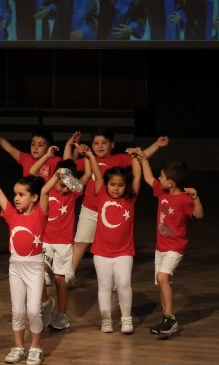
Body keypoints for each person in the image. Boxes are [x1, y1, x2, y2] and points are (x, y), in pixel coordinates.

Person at [65, 129, 168, 285]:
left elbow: (139, 157)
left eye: (104, 143)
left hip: (113, 210)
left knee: (112, 244)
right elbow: (67, 165)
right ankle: (69, 273)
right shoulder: (88, 159)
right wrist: (71, 146)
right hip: (90, 209)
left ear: (112, 145)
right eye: (96, 143)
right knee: (81, 241)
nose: (100, 146)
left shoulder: (119, 159)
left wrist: (157, 145)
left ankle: (114, 279)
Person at [0, 171, 58, 365]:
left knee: (33, 311)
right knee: (17, 311)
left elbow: (46, 190)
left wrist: (58, 175)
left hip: (34, 268)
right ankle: (18, 347)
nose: (16, 198)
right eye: (15, 194)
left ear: (34, 197)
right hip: (15, 267)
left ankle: (36, 347)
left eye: (21, 194)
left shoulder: (40, 214)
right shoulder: (11, 214)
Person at [132, 150, 203, 334]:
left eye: (162, 176)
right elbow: (148, 178)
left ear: (170, 182)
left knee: (162, 277)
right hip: (161, 246)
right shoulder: (162, 192)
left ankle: (170, 318)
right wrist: (144, 160)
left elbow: (198, 214)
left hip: (176, 247)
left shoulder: (184, 199)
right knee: (162, 281)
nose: (159, 178)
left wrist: (195, 198)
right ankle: (167, 319)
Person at [79, 144, 142, 334]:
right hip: (101, 252)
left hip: (124, 252)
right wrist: (91, 156)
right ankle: (106, 320)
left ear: (126, 186)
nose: (116, 188)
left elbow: (137, 177)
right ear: (106, 184)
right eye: (112, 184)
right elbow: (98, 174)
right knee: (105, 287)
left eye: (120, 185)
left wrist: (136, 157)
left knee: (123, 284)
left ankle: (126, 319)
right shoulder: (101, 194)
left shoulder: (130, 198)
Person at [32, 152, 92, 330]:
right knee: (37, 272)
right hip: (45, 241)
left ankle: (62, 315)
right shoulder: (47, 189)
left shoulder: (72, 194)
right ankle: (45, 303)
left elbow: (88, 175)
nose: (65, 189)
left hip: (64, 244)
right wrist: (57, 173)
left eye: (68, 186)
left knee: (60, 280)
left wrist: (87, 156)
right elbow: (33, 172)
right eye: (62, 185)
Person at [0, 127, 64, 179]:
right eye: (33, 144)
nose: (35, 148)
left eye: (40, 145)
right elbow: (10, 149)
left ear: (49, 147)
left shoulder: (57, 161)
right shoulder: (25, 158)